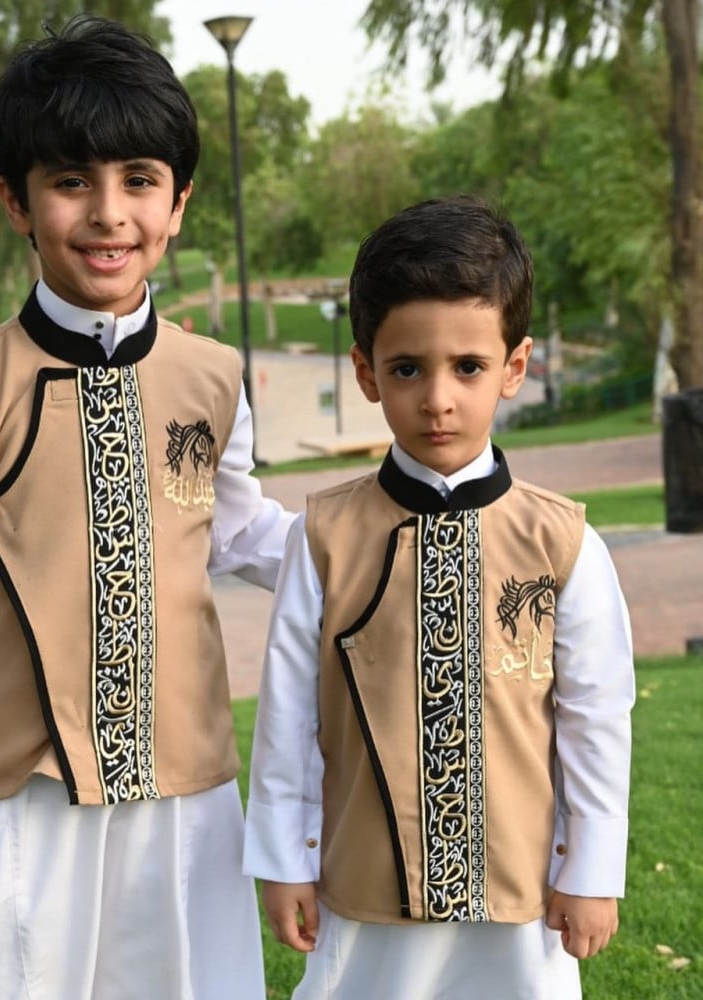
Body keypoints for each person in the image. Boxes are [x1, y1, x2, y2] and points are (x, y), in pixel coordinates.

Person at [0, 15, 294, 1000]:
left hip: (185, 773)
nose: (109, 214)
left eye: (138, 181)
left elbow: (233, 526)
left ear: (178, 202)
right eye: (71, 181)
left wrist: (367, 540)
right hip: (22, 786)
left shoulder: (212, 377)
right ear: (16, 202)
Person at [244, 196, 635, 1000]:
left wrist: (591, 869)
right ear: (366, 371)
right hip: (365, 891)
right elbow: (288, 714)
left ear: (514, 368)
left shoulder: (563, 544)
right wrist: (285, 860)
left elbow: (596, 718)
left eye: (468, 367)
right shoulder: (324, 537)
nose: (438, 399)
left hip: (519, 896)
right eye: (407, 369)